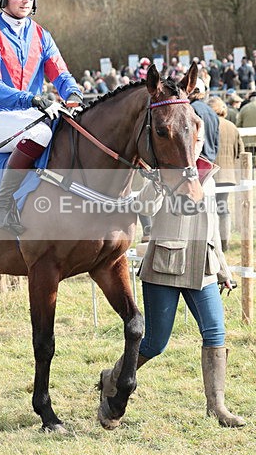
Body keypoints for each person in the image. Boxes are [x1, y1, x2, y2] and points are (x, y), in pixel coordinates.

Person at [98, 173, 245, 429]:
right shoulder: (162, 172)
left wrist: (222, 269)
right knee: (155, 344)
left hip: (204, 268)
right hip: (165, 265)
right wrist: (157, 182)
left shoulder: (209, 173)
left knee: (215, 334)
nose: (196, 141)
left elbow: (212, 228)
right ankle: (112, 379)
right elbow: (144, 207)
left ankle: (217, 406)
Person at [0, 0, 83, 234]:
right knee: (42, 135)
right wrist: (30, 99)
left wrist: (74, 94)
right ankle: (1, 206)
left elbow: (61, 74)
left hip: (28, 115)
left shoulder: (42, 35)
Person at [209, 97, 244, 250]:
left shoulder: (209, 125)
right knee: (223, 207)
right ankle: (225, 243)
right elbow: (240, 152)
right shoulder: (232, 126)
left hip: (211, 174)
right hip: (228, 175)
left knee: (209, 209)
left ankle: (213, 241)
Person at [189, 78, 219, 161]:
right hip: (209, 159)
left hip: (196, 159)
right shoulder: (212, 111)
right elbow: (216, 141)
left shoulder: (191, 109)